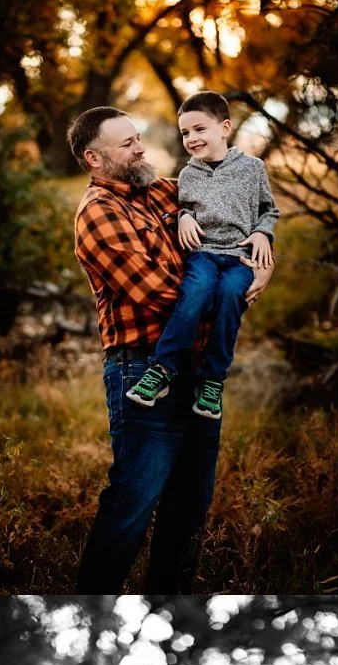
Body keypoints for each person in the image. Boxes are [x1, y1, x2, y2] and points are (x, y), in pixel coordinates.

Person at [65, 107, 273, 594]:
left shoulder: (165, 191)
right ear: (94, 158)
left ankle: (171, 600)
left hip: (199, 369)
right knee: (134, 500)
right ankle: (96, 598)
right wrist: (232, 289)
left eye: (139, 138)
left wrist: (263, 246)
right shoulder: (98, 213)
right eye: (126, 144)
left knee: (190, 504)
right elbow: (160, 294)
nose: (141, 149)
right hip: (142, 368)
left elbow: (236, 209)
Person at [126, 92, 277, 421]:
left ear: (225, 127)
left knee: (230, 295)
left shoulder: (252, 169)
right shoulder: (188, 174)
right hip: (203, 254)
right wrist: (184, 217)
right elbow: (185, 207)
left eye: (199, 129)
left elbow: (269, 210)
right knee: (195, 291)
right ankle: (163, 369)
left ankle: (212, 380)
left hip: (241, 256)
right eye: (185, 133)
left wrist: (264, 233)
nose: (191, 139)